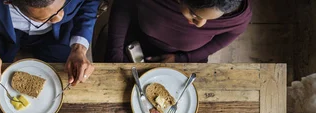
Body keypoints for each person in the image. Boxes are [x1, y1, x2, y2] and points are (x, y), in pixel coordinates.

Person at [0, 0, 100, 86]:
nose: (59, 18)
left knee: (64, 78)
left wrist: (79, 48)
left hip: (59, 34)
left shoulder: (61, 21)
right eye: (47, 18)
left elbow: (90, 4)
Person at [105, 0, 252, 63]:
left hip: (188, 58)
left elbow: (221, 41)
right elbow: (122, 7)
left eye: (210, 20)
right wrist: (115, 54)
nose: (200, 25)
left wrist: (183, 59)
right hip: (135, 42)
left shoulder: (238, 15)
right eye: (194, 14)